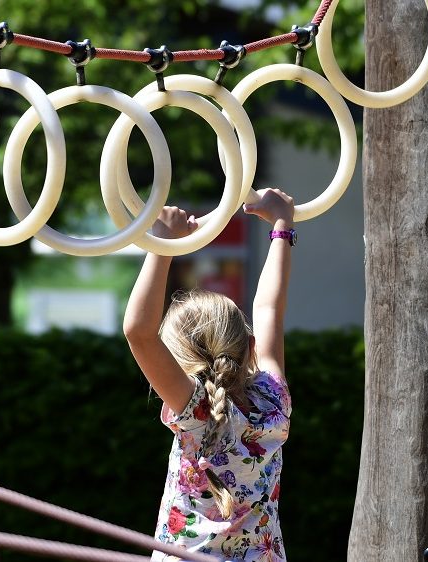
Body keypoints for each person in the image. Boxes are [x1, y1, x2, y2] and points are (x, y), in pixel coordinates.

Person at [123, 188, 295, 562]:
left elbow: (138, 332)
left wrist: (164, 244)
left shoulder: (196, 411)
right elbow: (268, 309)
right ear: (250, 346)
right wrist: (282, 226)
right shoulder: (273, 401)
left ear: (178, 360)